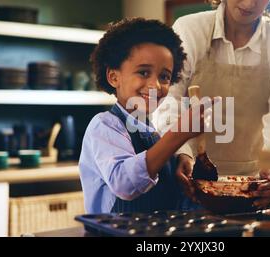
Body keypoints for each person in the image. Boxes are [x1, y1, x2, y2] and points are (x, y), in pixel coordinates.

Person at [153, 0, 270, 208]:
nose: (249, 3)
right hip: (192, 181)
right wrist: (182, 152)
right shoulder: (189, 29)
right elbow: (169, 100)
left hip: (256, 188)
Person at [79, 18, 214, 213]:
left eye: (164, 76)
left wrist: (184, 175)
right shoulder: (104, 126)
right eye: (143, 72)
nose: (156, 86)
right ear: (114, 77)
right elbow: (125, 184)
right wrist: (179, 134)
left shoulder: (156, 133)